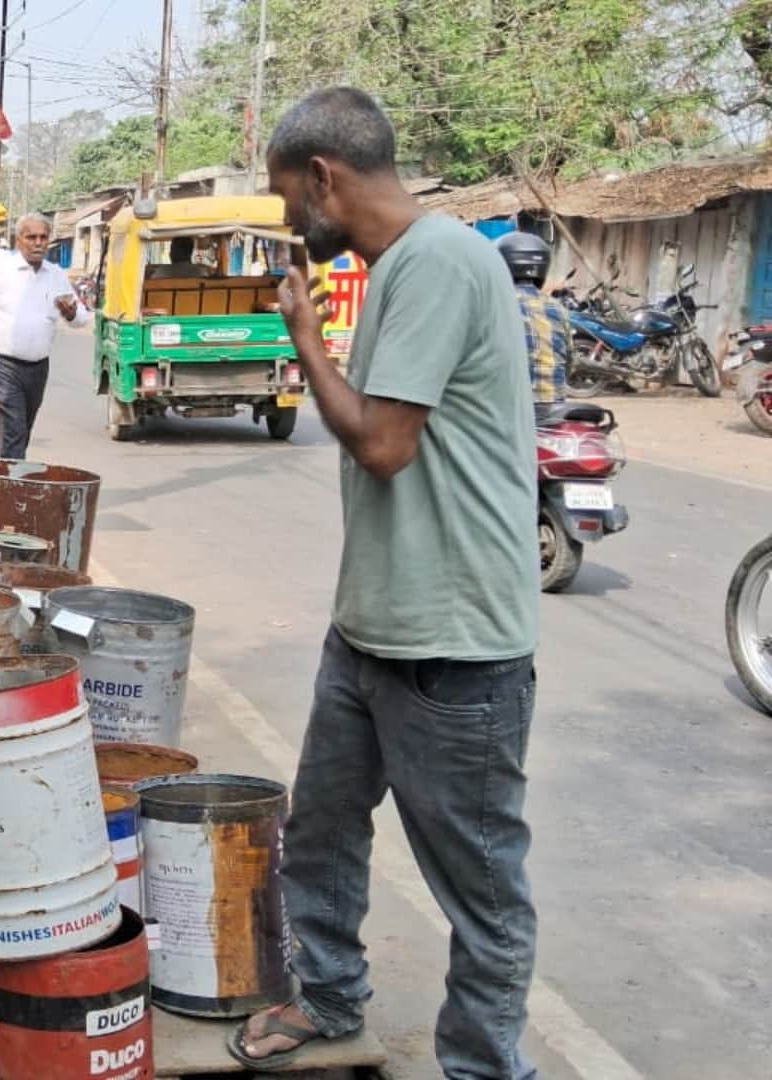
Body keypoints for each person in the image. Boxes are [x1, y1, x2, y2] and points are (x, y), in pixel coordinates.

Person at [230, 88, 539, 1078]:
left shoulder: (441, 262)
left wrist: (305, 341)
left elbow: (384, 444)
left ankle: (487, 1066)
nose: (290, 225)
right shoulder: (399, 268)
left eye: (289, 201)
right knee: (319, 829)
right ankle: (325, 995)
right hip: (371, 630)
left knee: (481, 890)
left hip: (454, 649)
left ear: (326, 178)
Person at [0, 213, 90, 458]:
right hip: (0, 362)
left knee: (23, 427)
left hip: (37, 366)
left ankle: (8, 476)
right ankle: (15, 486)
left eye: (43, 237)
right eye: (31, 237)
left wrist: (71, 313)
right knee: (15, 425)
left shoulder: (56, 274)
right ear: (18, 241)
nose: (38, 243)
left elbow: (82, 319)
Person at [496, 231, 570, 416]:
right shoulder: (558, 308)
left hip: (510, 408)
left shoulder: (495, 304)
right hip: (554, 408)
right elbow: (570, 361)